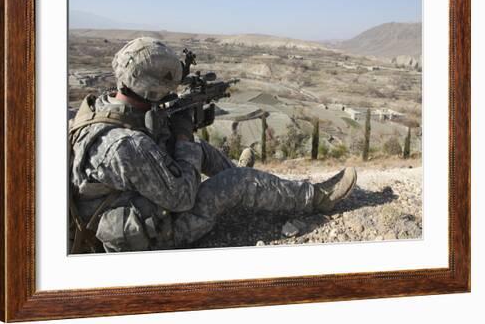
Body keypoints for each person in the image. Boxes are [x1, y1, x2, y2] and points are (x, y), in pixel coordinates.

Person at [69, 37, 357, 253]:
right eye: (168, 89)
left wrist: (175, 132)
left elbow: (146, 154)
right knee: (235, 180)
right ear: (152, 89)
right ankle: (318, 197)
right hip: (152, 236)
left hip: (133, 204)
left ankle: (252, 188)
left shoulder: (102, 109)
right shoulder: (125, 146)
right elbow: (181, 198)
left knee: (203, 152)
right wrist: (182, 136)